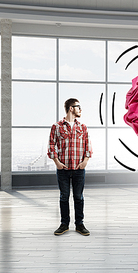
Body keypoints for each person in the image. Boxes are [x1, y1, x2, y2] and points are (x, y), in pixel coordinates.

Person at [48, 98, 92, 236]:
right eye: (78, 107)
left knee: (78, 197)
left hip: (79, 169)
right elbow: (51, 145)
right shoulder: (57, 127)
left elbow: (88, 146)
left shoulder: (83, 127)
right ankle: (64, 224)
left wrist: (85, 161)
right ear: (71, 108)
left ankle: (80, 224)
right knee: (64, 197)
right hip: (63, 169)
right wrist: (57, 163)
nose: (81, 110)